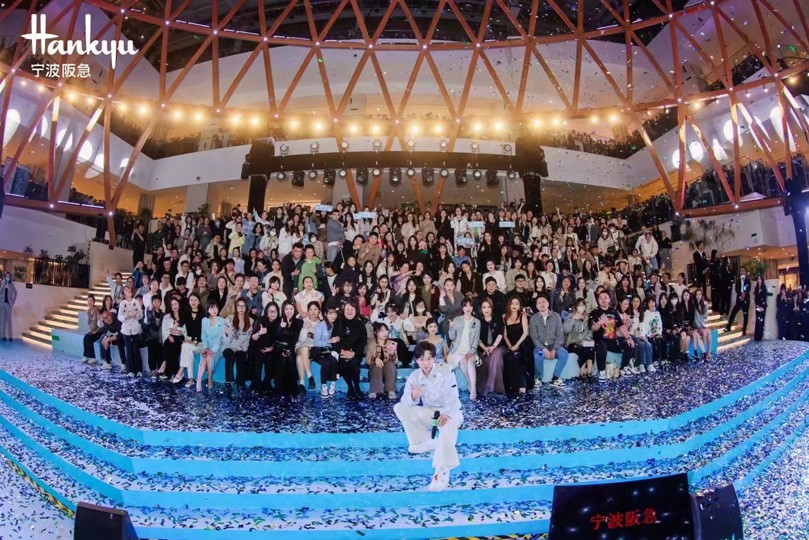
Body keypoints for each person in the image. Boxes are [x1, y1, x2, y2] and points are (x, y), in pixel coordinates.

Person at [394, 341, 463, 492]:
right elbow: (405, 401)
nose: (425, 363)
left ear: (434, 359)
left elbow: (454, 398)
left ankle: (442, 471)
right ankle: (422, 441)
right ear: (416, 360)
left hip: (450, 411)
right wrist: (413, 396)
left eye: (429, 359)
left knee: (447, 425)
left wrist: (448, 414)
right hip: (430, 412)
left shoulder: (446, 370)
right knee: (399, 408)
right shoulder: (414, 376)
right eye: (421, 359)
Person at [589, 289, 635, 383]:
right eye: (601, 298)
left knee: (629, 343)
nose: (603, 300)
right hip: (600, 341)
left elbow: (621, 326)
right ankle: (601, 372)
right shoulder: (594, 312)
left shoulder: (613, 311)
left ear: (609, 299)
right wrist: (600, 322)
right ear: (598, 300)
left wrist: (628, 337)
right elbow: (593, 328)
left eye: (605, 298)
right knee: (601, 345)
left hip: (613, 340)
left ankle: (624, 368)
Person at [529, 294, 569, 387]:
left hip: (554, 345)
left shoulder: (556, 316)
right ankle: (538, 378)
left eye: (544, 302)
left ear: (548, 303)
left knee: (564, 354)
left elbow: (560, 335)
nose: (542, 304)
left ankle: (555, 378)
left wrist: (554, 349)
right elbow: (534, 337)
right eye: (539, 303)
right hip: (540, 346)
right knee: (538, 355)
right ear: (536, 306)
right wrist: (543, 349)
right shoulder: (533, 319)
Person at [446, 298, 480, 400]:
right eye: (466, 306)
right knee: (463, 362)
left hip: (470, 349)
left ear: (473, 307)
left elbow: (476, 339)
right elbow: (452, 337)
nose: (468, 308)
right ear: (462, 307)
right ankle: (470, 384)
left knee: (470, 363)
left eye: (470, 305)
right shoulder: (457, 320)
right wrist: (451, 327)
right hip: (458, 350)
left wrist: (471, 351)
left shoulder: (477, 322)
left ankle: (473, 389)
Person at [333, 300, 367, 399]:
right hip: (342, 352)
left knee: (354, 364)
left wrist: (353, 353)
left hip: (355, 353)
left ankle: (357, 386)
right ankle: (350, 387)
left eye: (352, 309)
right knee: (344, 364)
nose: (349, 311)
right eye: (347, 309)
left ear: (356, 311)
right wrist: (342, 351)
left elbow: (363, 341)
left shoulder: (360, 324)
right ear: (343, 310)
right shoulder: (338, 322)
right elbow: (334, 340)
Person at [476, 297, 505, 396]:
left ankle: (489, 386)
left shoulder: (498, 319)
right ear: (481, 309)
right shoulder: (478, 321)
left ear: (492, 308)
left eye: (488, 307)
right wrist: (485, 348)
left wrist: (493, 346)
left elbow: (500, 334)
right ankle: (497, 387)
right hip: (482, 349)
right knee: (495, 359)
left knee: (496, 353)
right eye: (484, 307)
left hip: (497, 346)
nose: (486, 309)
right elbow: (477, 338)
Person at [223, 298, 253, 388]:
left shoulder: (251, 321)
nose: (241, 308)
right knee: (230, 355)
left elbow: (248, 339)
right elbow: (226, 339)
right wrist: (234, 346)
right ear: (236, 307)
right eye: (239, 306)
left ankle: (240, 384)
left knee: (241, 358)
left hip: (241, 348)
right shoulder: (229, 319)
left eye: (243, 306)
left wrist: (242, 348)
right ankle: (229, 381)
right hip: (229, 346)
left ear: (246, 308)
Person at [197, 300, 225, 392]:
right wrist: (205, 347)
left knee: (209, 356)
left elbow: (220, 338)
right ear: (208, 310)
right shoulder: (204, 320)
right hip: (207, 346)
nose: (215, 310)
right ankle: (198, 382)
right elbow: (203, 335)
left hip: (217, 348)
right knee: (205, 355)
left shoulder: (222, 321)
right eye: (212, 308)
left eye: (216, 308)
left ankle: (209, 379)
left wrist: (213, 349)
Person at [563, 298, 595, 379]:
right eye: (579, 305)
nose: (581, 307)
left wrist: (586, 339)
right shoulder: (571, 316)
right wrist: (573, 319)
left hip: (585, 342)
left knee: (590, 348)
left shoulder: (588, 317)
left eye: (583, 305)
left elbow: (590, 333)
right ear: (576, 307)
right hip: (572, 342)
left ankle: (589, 372)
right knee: (584, 349)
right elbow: (565, 329)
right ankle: (583, 372)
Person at [366, 322, 399, 399]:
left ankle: (391, 390)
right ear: (376, 333)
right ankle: (374, 390)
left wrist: (392, 354)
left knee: (390, 364)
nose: (385, 333)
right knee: (376, 366)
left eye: (386, 330)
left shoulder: (392, 344)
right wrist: (375, 359)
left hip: (388, 371)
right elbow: (367, 360)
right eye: (381, 331)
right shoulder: (371, 345)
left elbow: (396, 361)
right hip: (375, 372)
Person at [312, 305, 340, 397]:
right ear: (325, 314)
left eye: (335, 313)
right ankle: (323, 386)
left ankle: (333, 384)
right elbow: (316, 342)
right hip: (318, 350)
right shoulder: (321, 325)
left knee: (333, 360)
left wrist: (337, 339)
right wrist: (329, 341)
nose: (333, 316)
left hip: (328, 351)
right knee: (325, 363)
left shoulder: (336, 325)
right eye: (330, 313)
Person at [117, 286, 143, 377]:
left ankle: (139, 370)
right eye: (126, 290)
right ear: (123, 294)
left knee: (136, 348)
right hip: (126, 329)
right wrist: (125, 317)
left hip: (135, 328)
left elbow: (141, 314)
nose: (128, 290)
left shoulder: (136, 301)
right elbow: (119, 316)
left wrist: (136, 316)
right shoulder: (122, 303)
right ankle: (130, 370)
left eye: (129, 289)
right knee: (128, 349)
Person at [725, 266, 751, 336]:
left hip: (746, 300)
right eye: (741, 271)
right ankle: (728, 326)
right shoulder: (738, 280)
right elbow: (736, 289)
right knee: (733, 312)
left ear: (745, 272)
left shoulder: (748, 280)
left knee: (745, 315)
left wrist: (744, 294)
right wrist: (740, 295)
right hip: (739, 300)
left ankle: (744, 330)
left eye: (743, 270)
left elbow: (748, 289)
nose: (742, 272)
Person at [81, 295, 102, 364]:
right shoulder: (88, 310)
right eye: (88, 301)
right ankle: (86, 355)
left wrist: (96, 331)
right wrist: (88, 315)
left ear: (94, 302)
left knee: (89, 339)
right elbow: (88, 323)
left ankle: (93, 357)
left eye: (91, 301)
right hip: (92, 331)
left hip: (99, 331)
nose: (90, 302)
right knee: (85, 337)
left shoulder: (97, 310)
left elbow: (101, 323)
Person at [0, 272, 17, 341]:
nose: (7, 277)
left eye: (8, 276)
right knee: (3, 321)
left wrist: (12, 301)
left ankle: (10, 336)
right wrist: (2, 286)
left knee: (9, 321)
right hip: (2, 304)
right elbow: (0, 292)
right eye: (6, 276)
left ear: (10, 277)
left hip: (8, 304)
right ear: (5, 277)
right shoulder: (3, 283)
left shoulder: (11, 284)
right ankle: (3, 336)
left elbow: (15, 292)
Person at [753, 275, 769, 341]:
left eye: (760, 279)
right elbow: (755, 298)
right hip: (757, 306)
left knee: (761, 321)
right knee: (757, 321)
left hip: (762, 307)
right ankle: (756, 336)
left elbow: (765, 298)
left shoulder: (764, 288)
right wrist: (757, 305)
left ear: (762, 280)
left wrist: (762, 306)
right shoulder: (756, 288)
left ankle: (760, 336)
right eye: (758, 279)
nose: (759, 280)